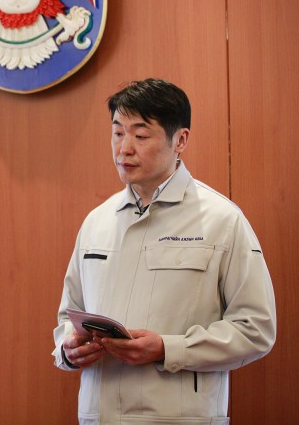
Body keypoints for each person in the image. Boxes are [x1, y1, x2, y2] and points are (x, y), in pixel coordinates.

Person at [52, 78, 276, 423]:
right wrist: (68, 349)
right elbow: (69, 316)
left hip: (178, 416)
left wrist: (168, 349)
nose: (124, 148)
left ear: (180, 140)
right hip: (98, 415)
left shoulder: (221, 220)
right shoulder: (97, 221)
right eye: (117, 133)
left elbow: (256, 329)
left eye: (141, 136)